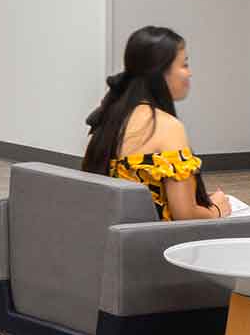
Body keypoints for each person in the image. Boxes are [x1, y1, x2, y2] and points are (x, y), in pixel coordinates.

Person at [80, 26, 238, 220]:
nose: (189, 74)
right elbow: (185, 216)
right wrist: (218, 209)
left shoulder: (111, 118)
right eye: (184, 65)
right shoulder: (167, 127)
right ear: (161, 72)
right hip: (158, 242)